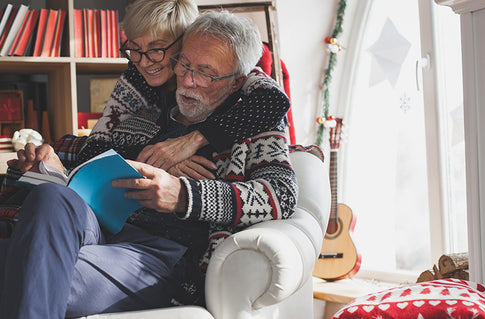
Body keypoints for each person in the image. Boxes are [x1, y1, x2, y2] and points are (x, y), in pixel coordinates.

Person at [0, 10, 297, 318]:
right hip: (103, 225)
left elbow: (281, 195)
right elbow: (93, 155)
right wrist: (49, 164)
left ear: (237, 82)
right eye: (184, 64)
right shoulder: (146, 110)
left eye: (206, 73)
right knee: (51, 197)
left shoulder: (255, 124)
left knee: (21, 268)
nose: (188, 79)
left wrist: (182, 194)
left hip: (159, 252)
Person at [78, 0, 290, 178]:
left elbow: (275, 100)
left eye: (156, 49)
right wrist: (159, 162)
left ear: (185, 41)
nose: (143, 62)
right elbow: (94, 149)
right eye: (134, 48)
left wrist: (194, 139)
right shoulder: (136, 76)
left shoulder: (232, 71)